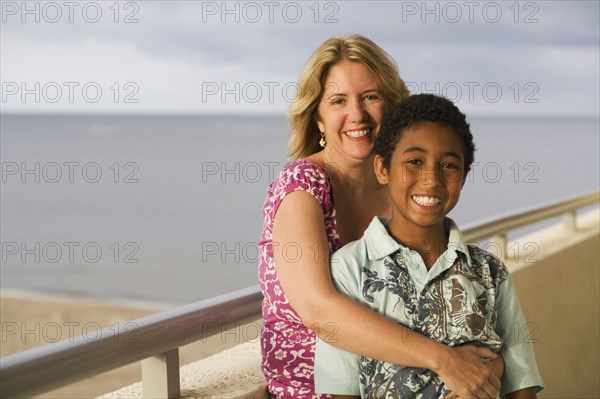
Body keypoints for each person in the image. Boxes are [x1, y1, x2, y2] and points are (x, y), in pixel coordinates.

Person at [259, 34, 504, 399]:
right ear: (318, 119)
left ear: (391, 107)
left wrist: (485, 365)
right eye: (338, 100)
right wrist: (445, 361)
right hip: (320, 389)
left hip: (409, 379)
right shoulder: (302, 187)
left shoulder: (400, 187)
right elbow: (319, 311)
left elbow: (445, 292)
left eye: (370, 97)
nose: (357, 114)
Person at [313, 94, 545, 398]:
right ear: (383, 169)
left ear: (462, 178)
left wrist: (498, 367)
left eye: (449, 165)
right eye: (414, 161)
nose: (431, 178)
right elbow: (340, 390)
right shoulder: (349, 269)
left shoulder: (490, 272)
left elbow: (522, 386)